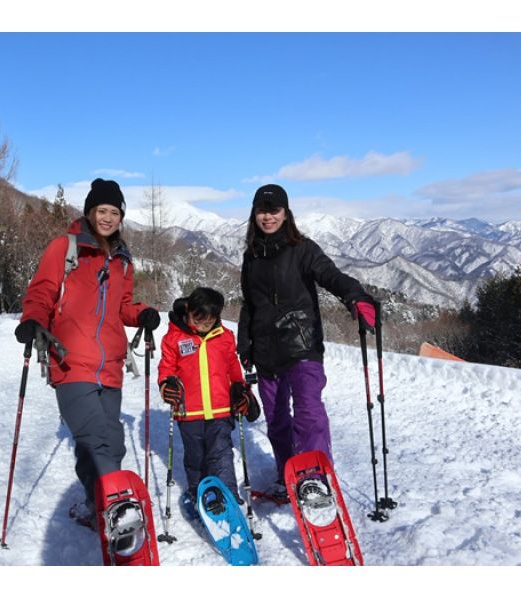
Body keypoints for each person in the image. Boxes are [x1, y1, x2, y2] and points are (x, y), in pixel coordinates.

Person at [14, 178, 161, 525]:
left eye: (114, 212)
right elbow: (42, 291)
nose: (108, 218)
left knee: (110, 440)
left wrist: (142, 313)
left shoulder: (123, 260)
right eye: (102, 210)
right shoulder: (65, 248)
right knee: (95, 437)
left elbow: (122, 306)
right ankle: (118, 506)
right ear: (90, 212)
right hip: (70, 361)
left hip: (110, 364)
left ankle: (97, 506)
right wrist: (33, 320)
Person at [237, 184, 377, 500]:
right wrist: (244, 345)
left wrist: (354, 295)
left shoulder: (303, 249)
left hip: (302, 343)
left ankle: (314, 477)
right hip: (265, 350)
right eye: (262, 210)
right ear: (254, 214)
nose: (268, 216)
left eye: (274, 210)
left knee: (308, 411)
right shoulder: (251, 256)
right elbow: (250, 303)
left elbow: (330, 275)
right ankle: (287, 472)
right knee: (275, 420)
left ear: (286, 214)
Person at [157, 287, 254, 518]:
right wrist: (166, 385)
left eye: (209, 321)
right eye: (198, 320)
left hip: (221, 410)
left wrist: (240, 387)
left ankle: (228, 496)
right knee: (196, 457)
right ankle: (198, 493)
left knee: (220, 454)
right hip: (188, 413)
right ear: (188, 311)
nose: (203, 326)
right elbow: (166, 368)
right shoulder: (174, 338)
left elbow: (232, 366)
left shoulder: (225, 336)